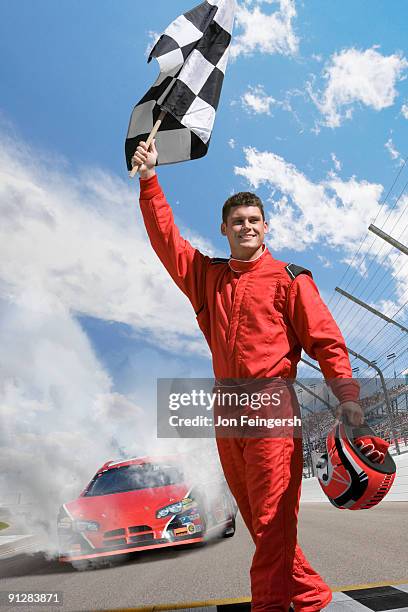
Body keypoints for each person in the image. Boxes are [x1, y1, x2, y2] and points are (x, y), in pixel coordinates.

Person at [132, 140, 364, 612]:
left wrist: (346, 391)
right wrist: (149, 180)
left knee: (274, 520)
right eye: (237, 221)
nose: (246, 227)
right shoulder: (207, 277)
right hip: (227, 411)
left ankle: (271, 606)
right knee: (262, 525)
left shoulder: (290, 278)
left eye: (254, 221)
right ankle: (311, 594)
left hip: (272, 407)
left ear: (265, 227)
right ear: (224, 229)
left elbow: (325, 338)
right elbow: (166, 240)